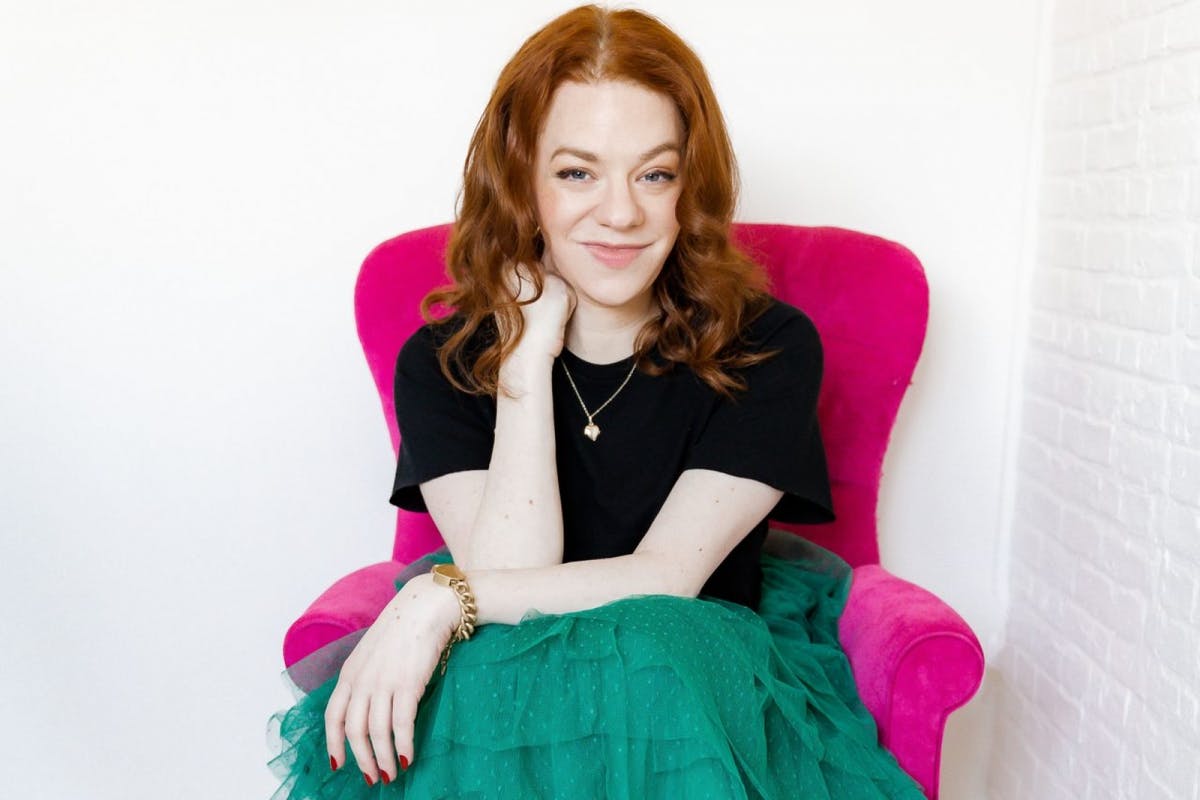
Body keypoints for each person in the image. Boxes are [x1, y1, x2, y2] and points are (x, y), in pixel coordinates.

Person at [267, 4, 926, 798]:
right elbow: (508, 576)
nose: (621, 212)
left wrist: (445, 597)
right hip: (500, 678)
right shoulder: (439, 363)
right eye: (577, 172)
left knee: (656, 652)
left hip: (689, 680)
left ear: (691, 185)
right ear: (523, 183)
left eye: (655, 173)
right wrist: (528, 354)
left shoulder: (768, 346)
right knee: (482, 679)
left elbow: (667, 579)